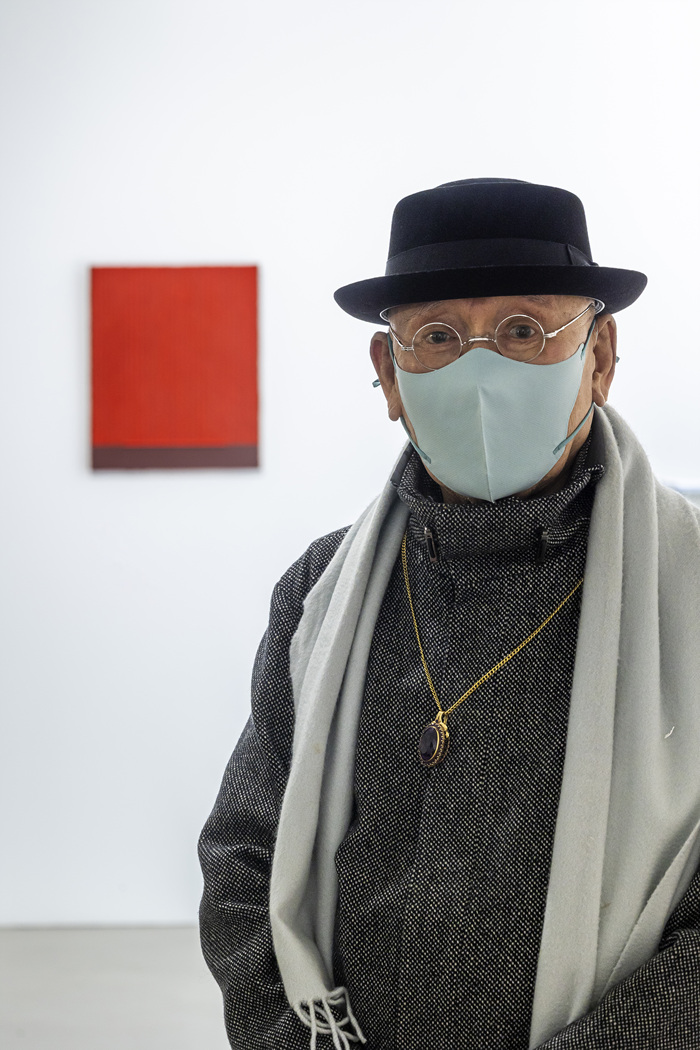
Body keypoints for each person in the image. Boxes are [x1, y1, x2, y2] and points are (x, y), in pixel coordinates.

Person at [198, 179, 700, 1049]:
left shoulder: (689, 586)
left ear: (601, 354)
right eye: (436, 336)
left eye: (523, 330)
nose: (481, 373)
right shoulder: (321, 589)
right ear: (389, 374)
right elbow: (244, 854)